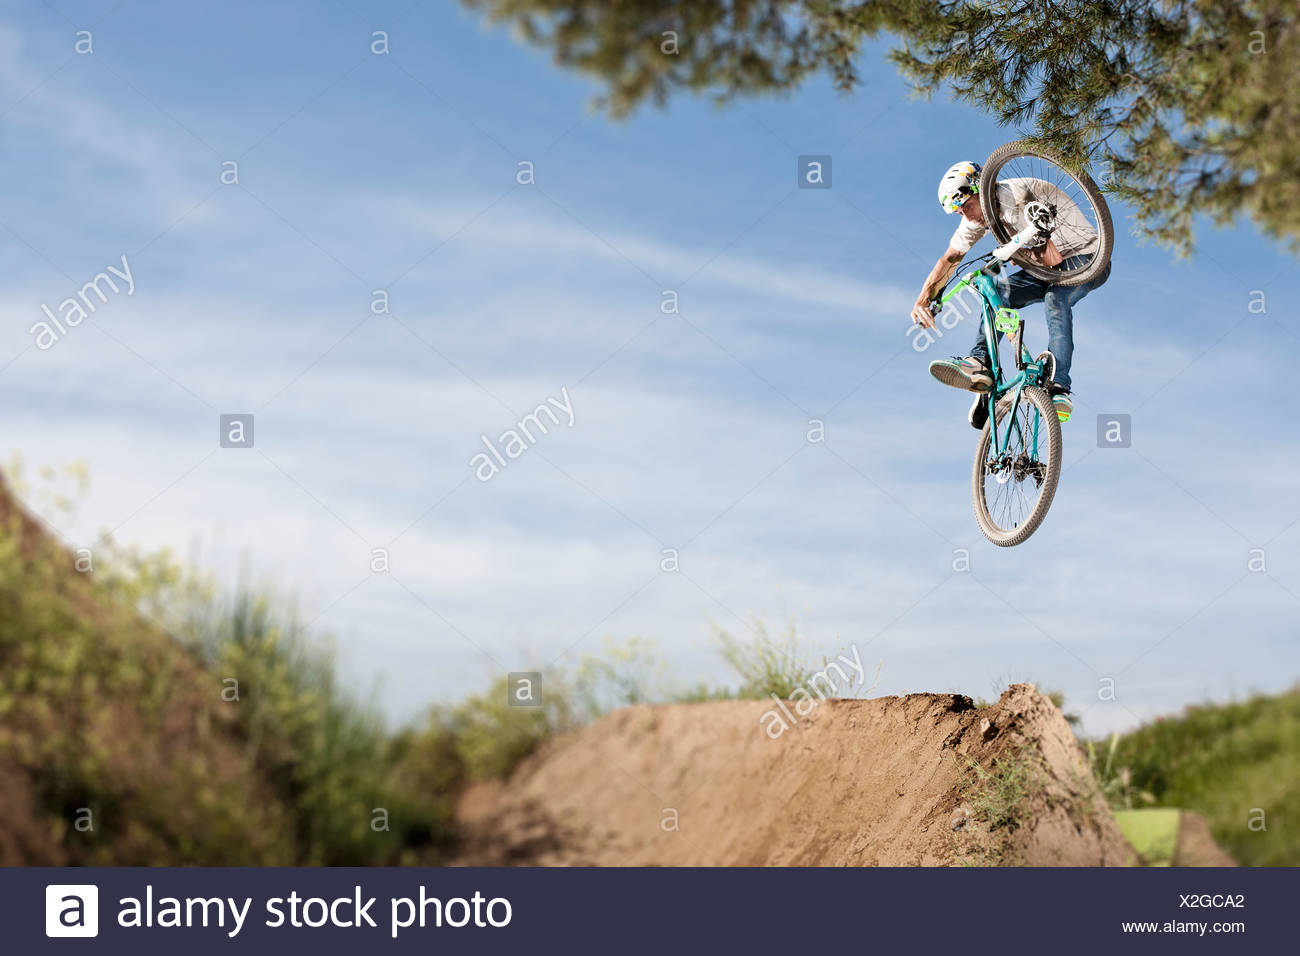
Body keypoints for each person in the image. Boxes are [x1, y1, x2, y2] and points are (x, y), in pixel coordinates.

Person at [910, 161, 1111, 427]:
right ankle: (981, 364)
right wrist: (924, 299)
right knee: (998, 290)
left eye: (967, 208)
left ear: (981, 190)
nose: (967, 217)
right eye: (959, 213)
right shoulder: (977, 213)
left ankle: (1060, 386)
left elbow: (1052, 259)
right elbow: (951, 258)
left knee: (1056, 299)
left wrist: (1024, 251)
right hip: (1045, 267)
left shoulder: (1019, 199)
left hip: (1087, 258)